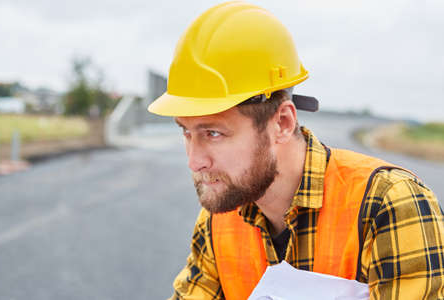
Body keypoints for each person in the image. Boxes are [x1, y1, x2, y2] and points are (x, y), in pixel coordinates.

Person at [148, 2, 444, 299]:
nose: (194, 161)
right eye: (186, 133)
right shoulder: (217, 222)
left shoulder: (389, 205)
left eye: (213, 133)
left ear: (282, 122)